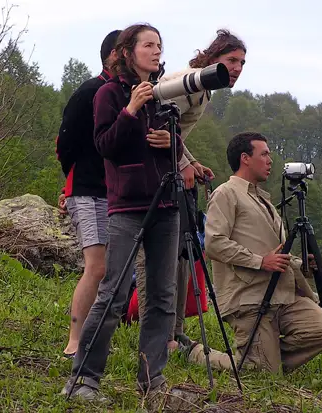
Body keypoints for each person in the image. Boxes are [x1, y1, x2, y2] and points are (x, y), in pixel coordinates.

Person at [62, 23, 183, 407]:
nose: (156, 51)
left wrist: (172, 142)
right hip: (127, 205)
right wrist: (131, 110)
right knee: (112, 293)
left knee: (162, 296)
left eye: (160, 45)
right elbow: (105, 146)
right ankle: (83, 379)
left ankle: (153, 379)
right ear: (128, 52)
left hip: (165, 204)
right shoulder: (109, 95)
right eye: (148, 45)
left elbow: (174, 151)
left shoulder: (165, 97)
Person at [133, 29, 247, 354]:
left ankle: (174, 331)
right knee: (158, 256)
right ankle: (158, 335)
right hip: (149, 174)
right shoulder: (190, 83)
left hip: (165, 167)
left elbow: (175, 132)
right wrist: (181, 163)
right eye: (231, 60)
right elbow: (154, 122)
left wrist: (192, 163)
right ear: (213, 59)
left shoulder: (204, 89)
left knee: (181, 252)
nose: (237, 68)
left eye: (241, 62)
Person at [202, 132, 322, 375]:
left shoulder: (263, 200)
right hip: (249, 298)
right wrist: (259, 262)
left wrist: (300, 264)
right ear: (245, 158)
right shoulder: (226, 194)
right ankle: (195, 352)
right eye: (264, 154)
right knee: (263, 373)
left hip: (281, 295)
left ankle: (264, 360)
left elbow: (272, 254)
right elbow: (214, 244)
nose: (269, 160)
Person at [54, 29, 121, 358]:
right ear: (114, 55)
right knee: (96, 267)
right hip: (89, 190)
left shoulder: (128, 93)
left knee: (110, 268)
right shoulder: (91, 91)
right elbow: (63, 144)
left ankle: (95, 335)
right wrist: (72, 184)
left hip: (116, 193)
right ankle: (75, 340)